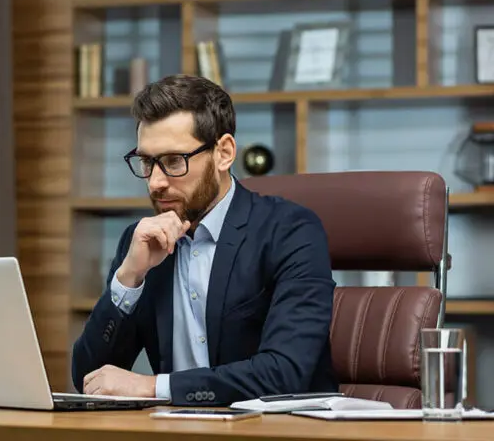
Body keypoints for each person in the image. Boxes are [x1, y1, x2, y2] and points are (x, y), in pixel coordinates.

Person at [71, 74, 337, 407]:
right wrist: (128, 280)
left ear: (223, 153)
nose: (155, 183)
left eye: (172, 162)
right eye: (146, 162)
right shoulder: (141, 241)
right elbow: (89, 379)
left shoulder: (290, 231)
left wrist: (153, 388)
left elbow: (284, 373)